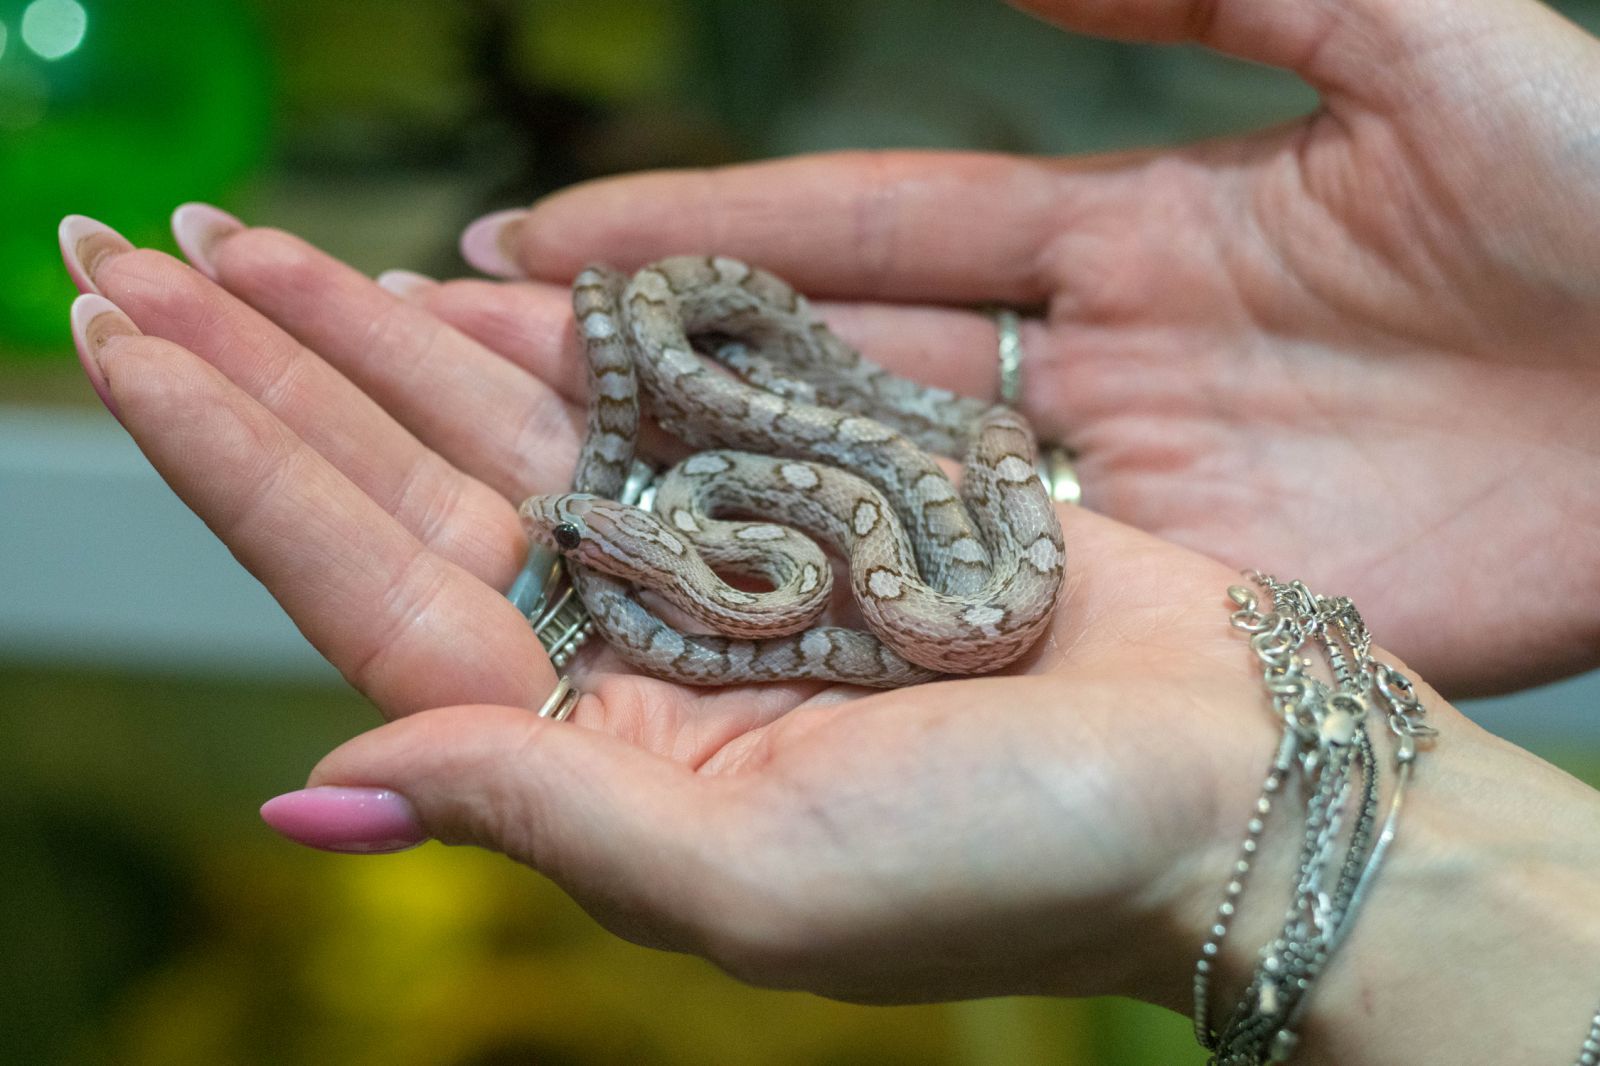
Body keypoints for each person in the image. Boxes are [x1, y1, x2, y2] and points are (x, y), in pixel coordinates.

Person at [56, 0, 1600, 1061]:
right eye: (617, 544)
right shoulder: (741, 536)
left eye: (607, 540)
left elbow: (801, 551)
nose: (595, 539)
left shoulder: (798, 554)